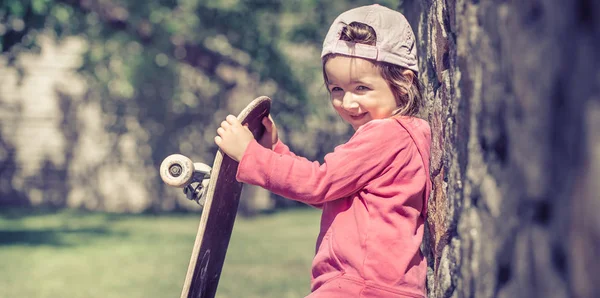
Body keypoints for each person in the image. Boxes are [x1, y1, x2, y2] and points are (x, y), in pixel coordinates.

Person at [215, 4, 431, 298]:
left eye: (361, 88)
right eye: (336, 90)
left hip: (361, 286)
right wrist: (275, 151)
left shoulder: (385, 134)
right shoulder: (403, 134)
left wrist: (250, 154)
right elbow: (333, 190)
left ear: (404, 82)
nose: (347, 102)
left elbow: (318, 183)